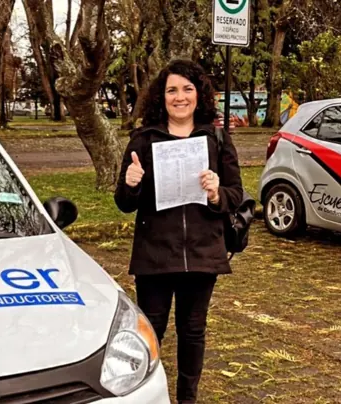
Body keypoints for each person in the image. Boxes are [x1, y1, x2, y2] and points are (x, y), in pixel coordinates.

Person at [114, 59, 243, 404]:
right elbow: (124, 203)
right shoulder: (143, 139)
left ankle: (187, 398)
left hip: (203, 253)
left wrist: (216, 193)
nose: (180, 97)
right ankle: (144, 396)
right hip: (155, 255)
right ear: (162, 96)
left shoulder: (216, 138)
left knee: (193, 331)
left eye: (187, 89)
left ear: (199, 95)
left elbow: (236, 194)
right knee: (150, 333)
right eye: (172, 90)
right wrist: (131, 183)